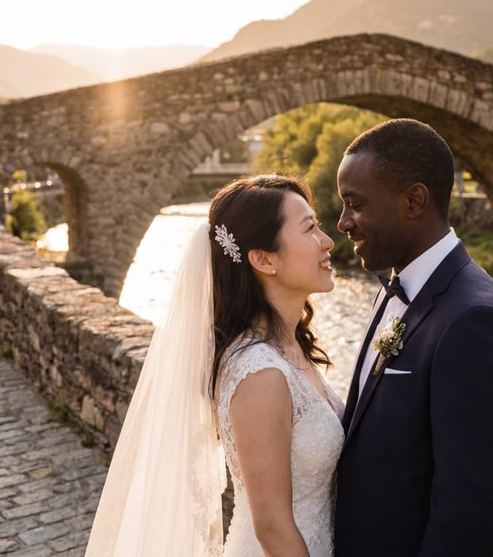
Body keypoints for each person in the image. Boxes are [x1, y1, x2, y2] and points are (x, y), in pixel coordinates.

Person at [85, 175, 344, 556]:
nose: (327, 241)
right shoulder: (261, 373)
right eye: (310, 229)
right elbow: (271, 527)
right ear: (263, 259)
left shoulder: (287, 346)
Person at [334, 119, 493, 556]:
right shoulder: (395, 287)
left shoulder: (474, 321)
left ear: (414, 201)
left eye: (355, 203)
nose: (343, 222)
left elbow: (466, 517)